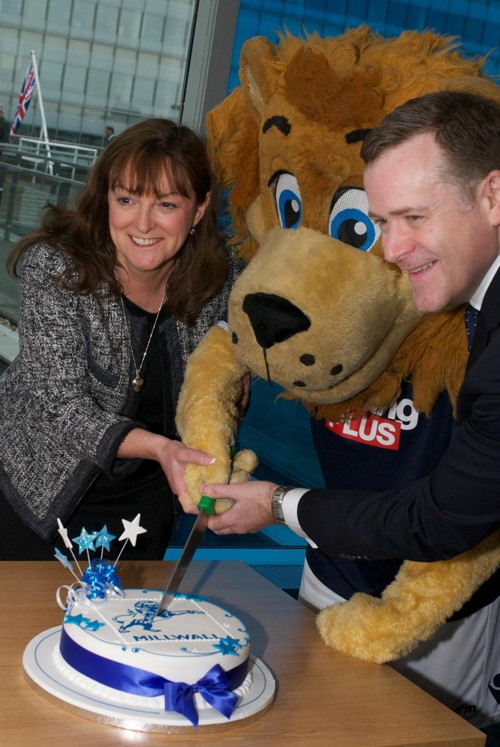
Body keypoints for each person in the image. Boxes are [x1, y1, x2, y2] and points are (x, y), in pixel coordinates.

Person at [197, 91, 500, 734]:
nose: (392, 249)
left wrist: (277, 505)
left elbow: (441, 519)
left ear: (493, 195)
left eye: (414, 216)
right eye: (381, 222)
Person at [0, 118, 242, 561]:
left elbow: (226, 383)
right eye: (126, 199)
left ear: (201, 209)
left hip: (141, 510)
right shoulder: (56, 269)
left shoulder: (224, 280)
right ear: (105, 199)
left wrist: (217, 448)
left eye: (166, 204)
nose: (143, 223)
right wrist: (160, 448)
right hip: (33, 493)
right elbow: (60, 406)